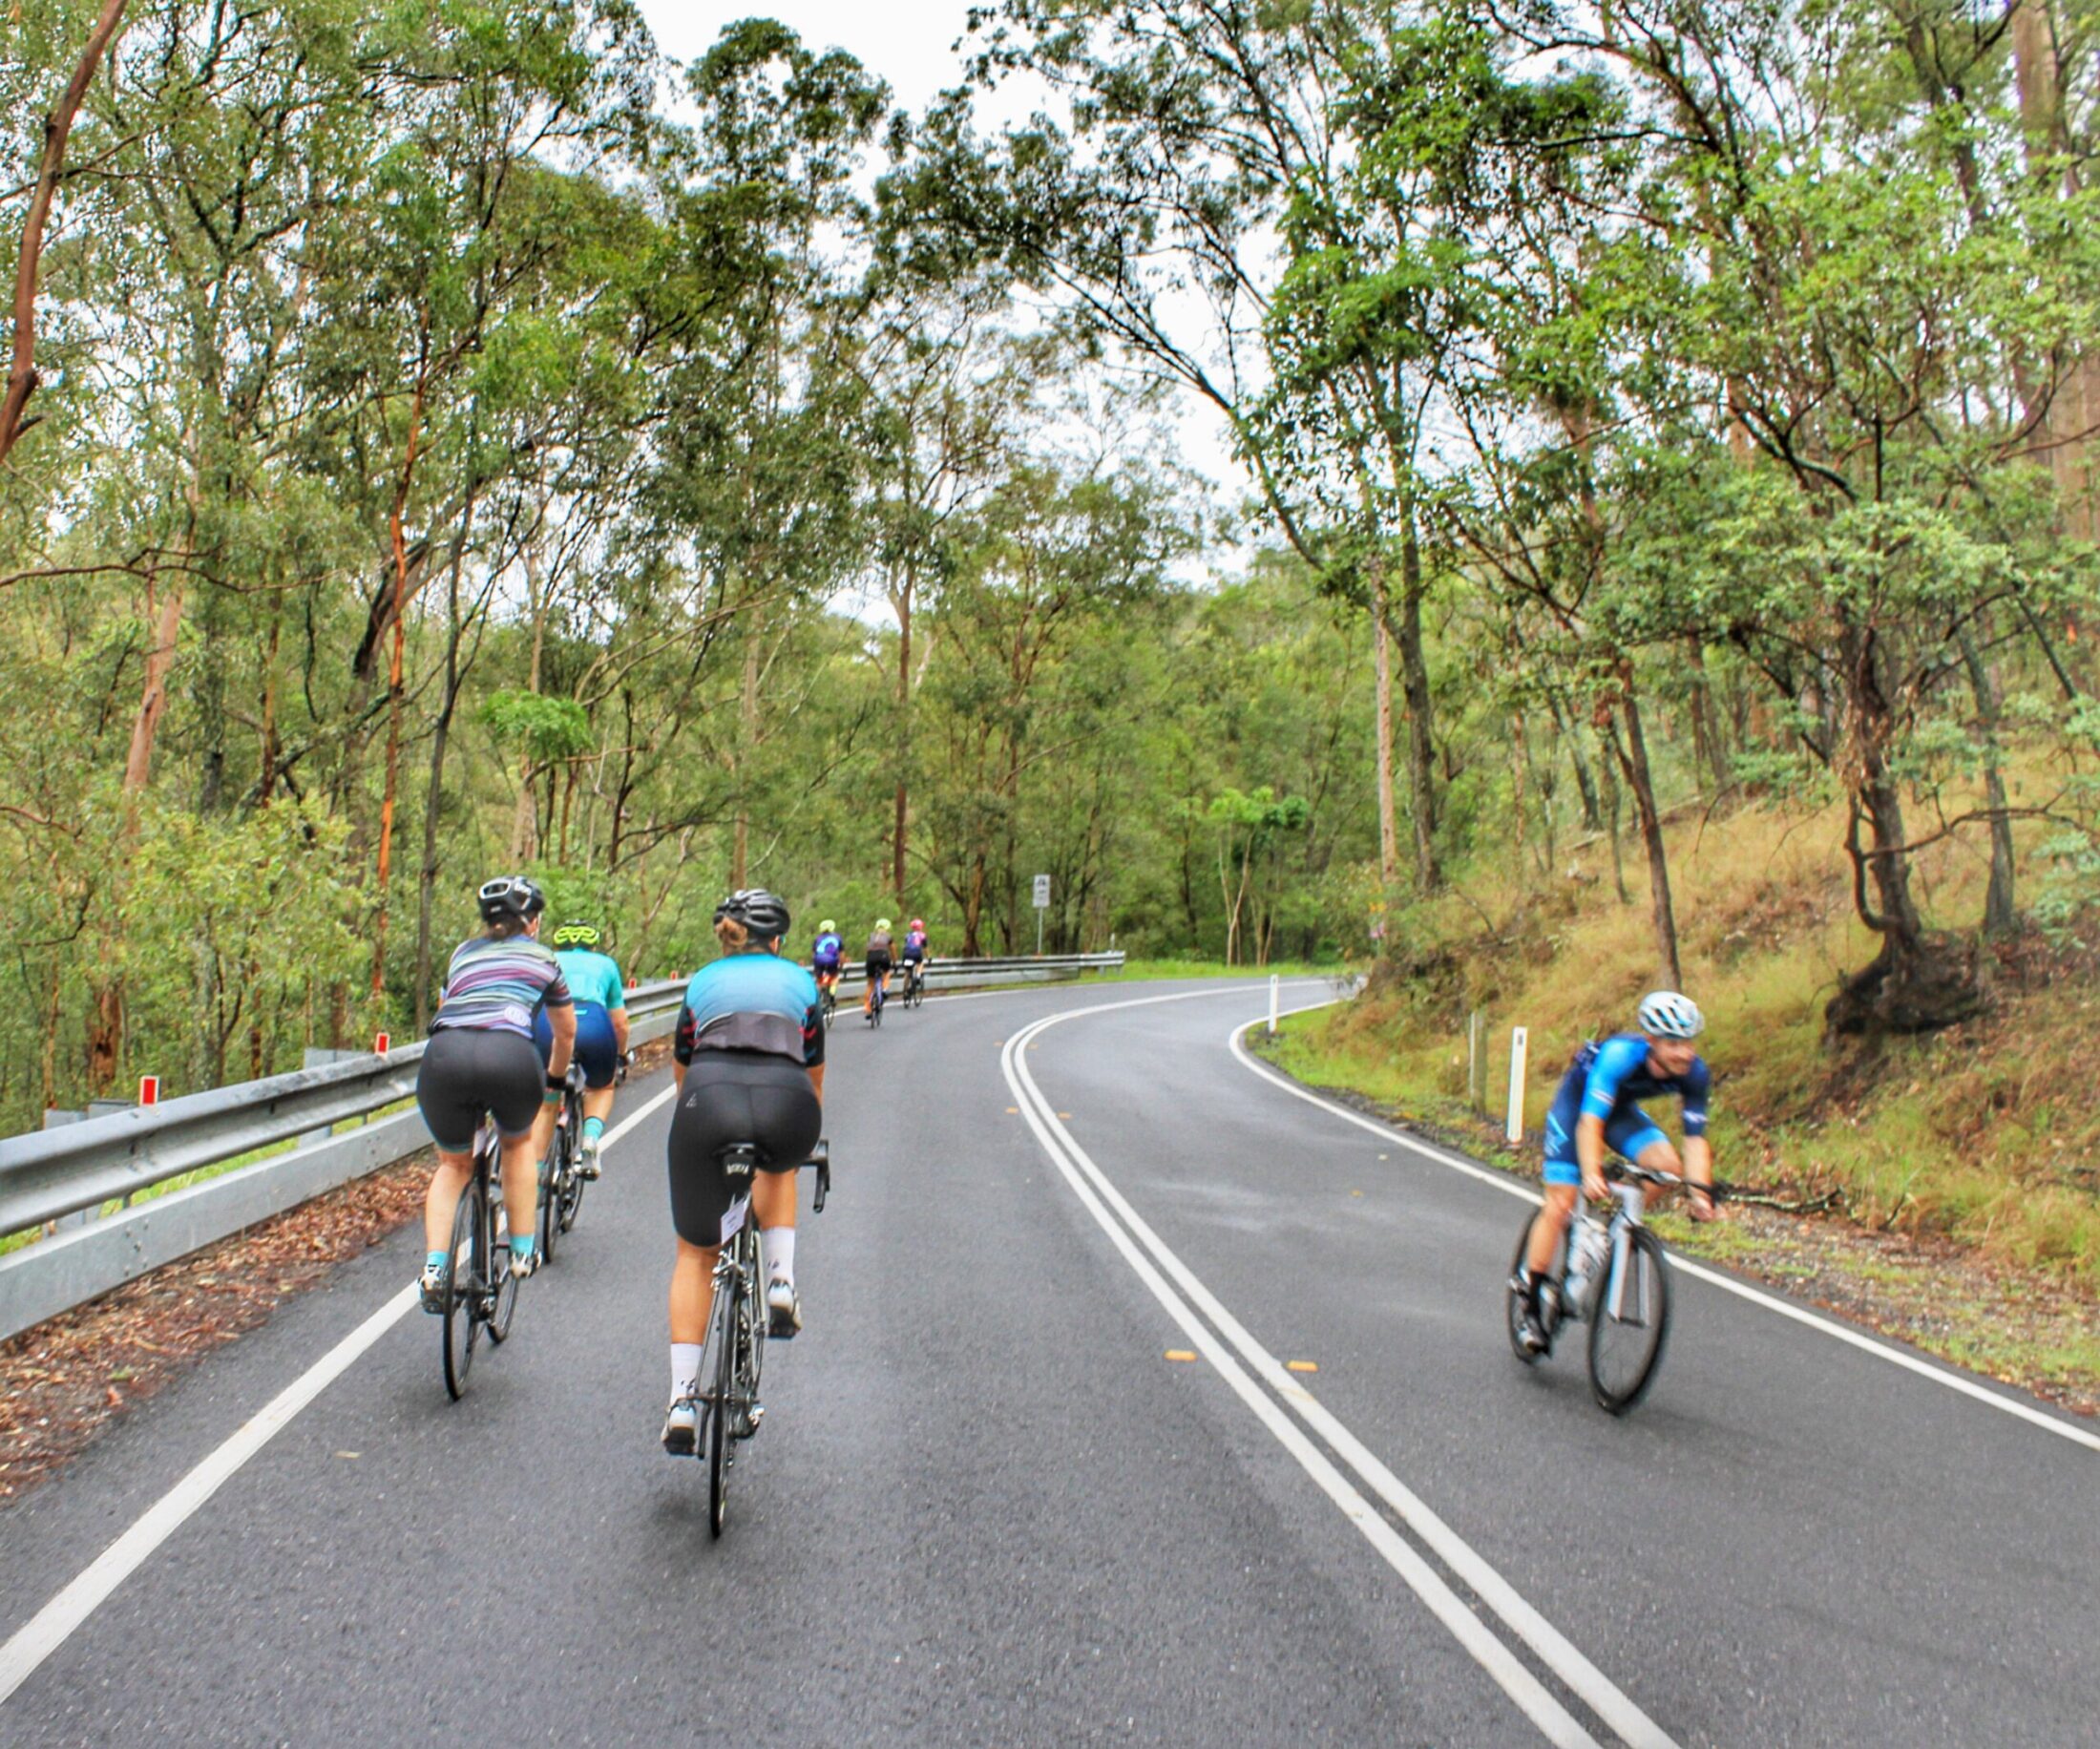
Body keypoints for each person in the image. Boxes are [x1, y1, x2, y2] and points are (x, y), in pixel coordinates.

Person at [662, 888, 825, 1453]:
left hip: (707, 1099)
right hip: (786, 1100)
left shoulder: (702, 981)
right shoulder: (802, 983)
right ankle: (780, 1282)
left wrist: (701, 1124)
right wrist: (806, 1133)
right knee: (782, 1165)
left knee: (694, 1251)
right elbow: (813, 1074)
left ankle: (683, 1400)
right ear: (777, 941)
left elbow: (681, 1071)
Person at [1512, 990, 1718, 1353]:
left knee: (1667, 1169)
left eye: (1689, 1042)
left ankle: (1609, 1233)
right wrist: (1591, 1173)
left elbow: (1695, 1142)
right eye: (1674, 1043)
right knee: (1561, 1203)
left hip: (1620, 1113)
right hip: (1578, 1108)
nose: (1685, 1052)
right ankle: (1530, 1301)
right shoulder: (1620, 1055)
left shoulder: (1694, 1072)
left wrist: (1700, 1194)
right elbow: (1590, 1124)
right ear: (1652, 1041)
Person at [414, 875, 575, 1307]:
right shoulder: (545, 959)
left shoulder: (462, 954)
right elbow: (565, 1033)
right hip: (509, 1056)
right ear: (533, 921)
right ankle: (522, 1252)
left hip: (444, 1056)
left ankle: (434, 1270)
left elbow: (448, 1008)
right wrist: (555, 1082)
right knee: (517, 1143)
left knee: (453, 1165)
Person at [535, 921, 629, 1179]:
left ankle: (536, 1176)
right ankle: (590, 1139)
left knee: (548, 1097)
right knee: (602, 1087)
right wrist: (621, 1057)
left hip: (550, 1024)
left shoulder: (546, 959)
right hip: (595, 1023)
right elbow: (620, 1023)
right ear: (593, 944)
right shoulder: (606, 964)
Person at [864, 917, 895, 1016]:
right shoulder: (888, 936)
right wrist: (894, 962)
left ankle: (868, 1009)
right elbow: (893, 950)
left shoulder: (871, 935)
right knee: (886, 973)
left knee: (870, 984)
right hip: (883, 956)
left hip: (871, 958)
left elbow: (867, 949)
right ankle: (885, 989)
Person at [811, 917, 844, 998]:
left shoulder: (817, 938)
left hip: (819, 960)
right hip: (832, 960)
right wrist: (841, 964)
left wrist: (815, 964)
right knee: (834, 977)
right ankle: (832, 992)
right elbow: (841, 954)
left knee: (819, 979)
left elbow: (813, 953)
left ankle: (818, 995)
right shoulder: (837, 937)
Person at [900, 917, 929, 998]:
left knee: (907, 973)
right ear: (921, 927)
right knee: (920, 963)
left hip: (906, 954)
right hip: (917, 953)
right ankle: (918, 975)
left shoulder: (907, 935)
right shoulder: (922, 935)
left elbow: (906, 944)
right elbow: (925, 948)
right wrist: (928, 957)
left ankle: (905, 991)